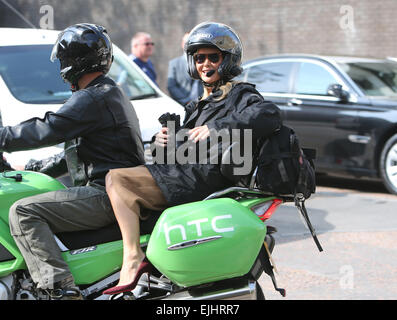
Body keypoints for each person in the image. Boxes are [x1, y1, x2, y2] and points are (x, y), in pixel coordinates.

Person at [102, 22, 282, 295]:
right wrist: (162, 143)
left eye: (213, 57)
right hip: (189, 174)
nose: (205, 64)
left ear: (228, 60)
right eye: (199, 58)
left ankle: (132, 257)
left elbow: (269, 115)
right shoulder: (197, 104)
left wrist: (217, 127)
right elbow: (184, 150)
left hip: (208, 179)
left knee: (118, 179)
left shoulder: (240, 94)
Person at [6, 23, 145, 300]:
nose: (61, 66)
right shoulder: (106, 93)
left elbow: (49, 128)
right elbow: (75, 151)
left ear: (73, 61)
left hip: (107, 194)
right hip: (113, 190)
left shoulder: (94, 96)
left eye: (62, 60)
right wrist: (29, 168)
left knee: (23, 212)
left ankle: (58, 289)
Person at [167, 32, 203, 105]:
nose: (189, 44)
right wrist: (187, 101)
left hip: (203, 104)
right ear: (182, 44)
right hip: (182, 105)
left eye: (192, 41)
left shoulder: (205, 61)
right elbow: (171, 86)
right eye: (187, 42)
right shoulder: (174, 63)